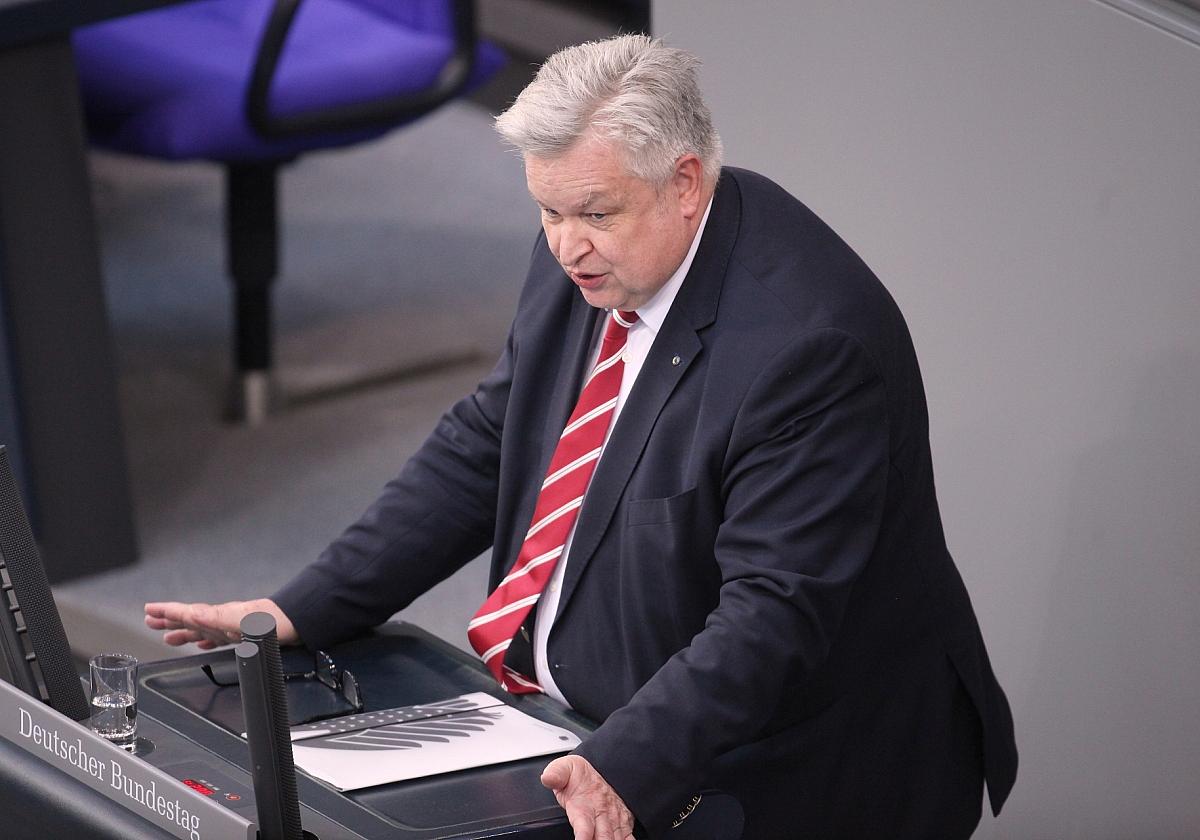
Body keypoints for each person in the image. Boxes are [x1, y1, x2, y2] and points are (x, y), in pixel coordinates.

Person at [146, 34, 1018, 840]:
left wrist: (625, 762)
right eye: (547, 212)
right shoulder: (595, 246)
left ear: (685, 184)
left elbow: (774, 615)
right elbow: (495, 435)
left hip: (787, 771)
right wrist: (306, 606)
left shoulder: (807, 350)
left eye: (593, 214)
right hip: (587, 717)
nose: (566, 248)